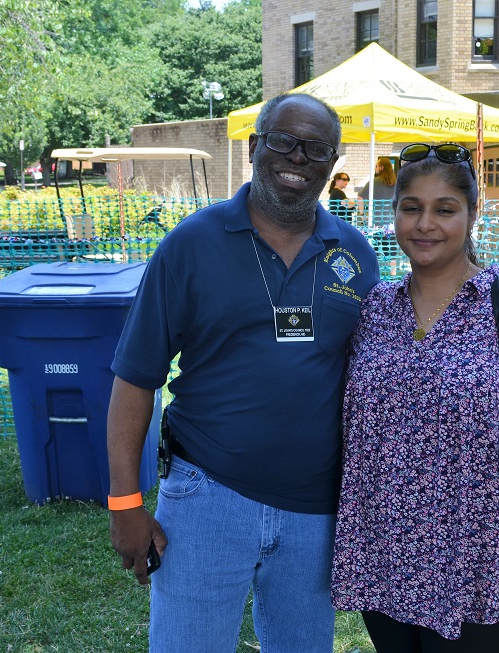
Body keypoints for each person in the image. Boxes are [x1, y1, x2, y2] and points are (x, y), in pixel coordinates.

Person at [106, 92, 380, 653]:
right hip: (207, 497)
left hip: (316, 510)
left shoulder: (355, 254)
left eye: (316, 149)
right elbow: (135, 378)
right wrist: (125, 503)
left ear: (333, 164)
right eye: (283, 140)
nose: (298, 157)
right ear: (255, 146)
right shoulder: (191, 245)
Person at [332, 143, 499, 652]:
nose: (425, 224)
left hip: (477, 572)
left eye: (445, 209)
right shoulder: (375, 308)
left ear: (473, 215)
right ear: (395, 213)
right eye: (412, 207)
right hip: (382, 563)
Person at [359, 156, 397, 223]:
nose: (375, 168)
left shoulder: (373, 182)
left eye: (376, 166)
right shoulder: (396, 183)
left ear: (381, 167)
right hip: (392, 220)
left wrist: (362, 214)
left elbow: (360, 198)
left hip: (376, 220)